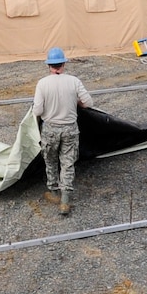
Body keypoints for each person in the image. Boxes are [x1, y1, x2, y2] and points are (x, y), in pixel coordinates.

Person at [32, 47, 93, 216]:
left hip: (50, 129)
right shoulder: (74, 81)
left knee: (51, 160)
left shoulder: (42, 83)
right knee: (67, 163)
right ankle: (65, 200)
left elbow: (37, 111)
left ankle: (53, 192)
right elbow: (89, 103)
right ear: (63, 63)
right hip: (70, 129)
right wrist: (78, 103)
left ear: (49, 65)